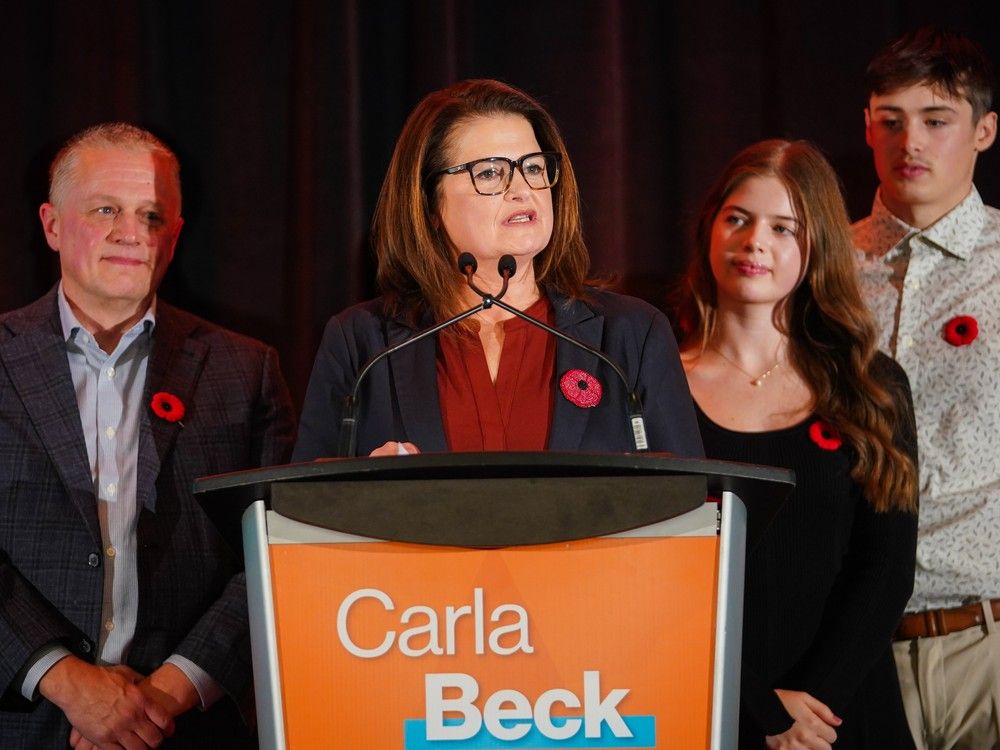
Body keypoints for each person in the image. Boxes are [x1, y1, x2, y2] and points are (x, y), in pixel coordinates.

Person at [0, 123, 296, 748]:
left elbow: (277, 549)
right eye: (105, 209)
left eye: (152, 215)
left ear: (175, 237)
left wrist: (162, 697)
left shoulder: (246, 370)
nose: (130, 232)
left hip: (182, 728)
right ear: (52, 225)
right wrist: (63, 678)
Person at [293, 79, 703, 460]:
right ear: (429, 205)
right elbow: (304, 514)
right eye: (490, 172)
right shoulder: (361, 345)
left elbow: (690, 505)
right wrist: (366, 498)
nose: (522, 189)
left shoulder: (632, 334)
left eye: (534, 167)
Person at [675, 139, 919, 748]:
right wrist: (760, 707)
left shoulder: (872, 385)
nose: (755, 240)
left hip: (839, 719)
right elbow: (650, 580)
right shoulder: (650, 388)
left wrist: (813, 704)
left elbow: (884, 568)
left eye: (784, 228)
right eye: (738, 218)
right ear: (711, 228)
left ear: (817, 249)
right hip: (705, 711)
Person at [853, 27, 1000, 750]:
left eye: (936, 121)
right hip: (855, 646)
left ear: (984, 131)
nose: (910, 140)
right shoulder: (818, 268)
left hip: (988, 638)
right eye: (891, 120)